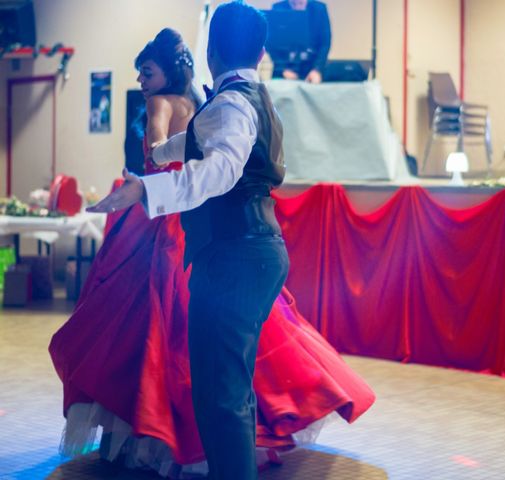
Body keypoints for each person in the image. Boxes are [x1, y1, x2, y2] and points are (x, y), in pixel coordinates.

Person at [54, 4, 374, 480]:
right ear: (262, 52)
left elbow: (220, 169)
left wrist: (147, 187)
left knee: (220, 398)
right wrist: (161, 155)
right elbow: (203, 142)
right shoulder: (247, 96)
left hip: (235, 257)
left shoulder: (230, 102)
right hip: (248, 252)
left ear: (211, 50)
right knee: (230, 392)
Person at [270, 0, 331, 83]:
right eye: (293, 3)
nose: (297, 7)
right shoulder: (278, 8)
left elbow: (325, 43)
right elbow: (272, 43)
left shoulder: (319, 9)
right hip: (284, 69)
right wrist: (283, 69)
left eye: (300, 3)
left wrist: (317, 69)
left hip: (311, 68)